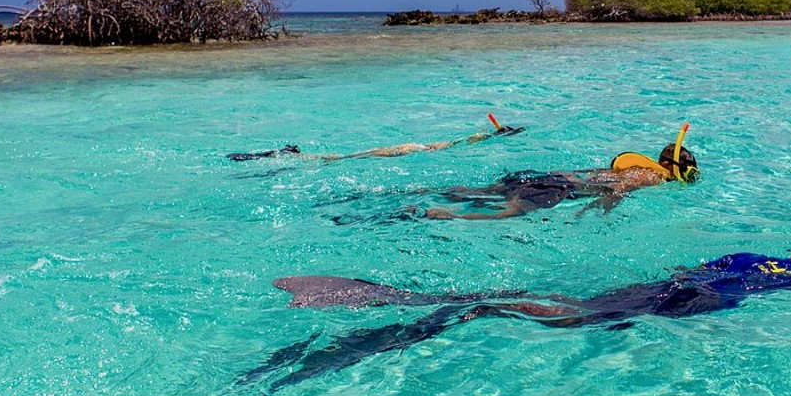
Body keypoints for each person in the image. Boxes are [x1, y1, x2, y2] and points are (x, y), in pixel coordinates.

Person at [241, 229, 791, 391]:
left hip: (680, 285)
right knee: (565, 316)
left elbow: (683, 267)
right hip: (697, 305)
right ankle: (468, 311)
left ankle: (418, 301)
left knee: (578, 306)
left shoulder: (747, 253)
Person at [420, 142, 698, 220]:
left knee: (488, 192)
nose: (686, 178)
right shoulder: (654, 175)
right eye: (687, 172)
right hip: (566, 188)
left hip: (556, 176)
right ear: (667, 166)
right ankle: (451, 216)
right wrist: (598, 210)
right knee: (513, 211)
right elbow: (619, 188)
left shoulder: (638, 166)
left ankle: (430, 193)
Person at [227, 124, 523, 162]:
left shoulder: (435, 146)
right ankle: (283, 155)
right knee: (338, 160)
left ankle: (288, 154)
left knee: (339, 158)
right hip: (400, 151)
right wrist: (494, 136)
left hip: (404, 148)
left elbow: (460, 142)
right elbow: (463, 142)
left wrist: (494, 135)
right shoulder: (433, 148)